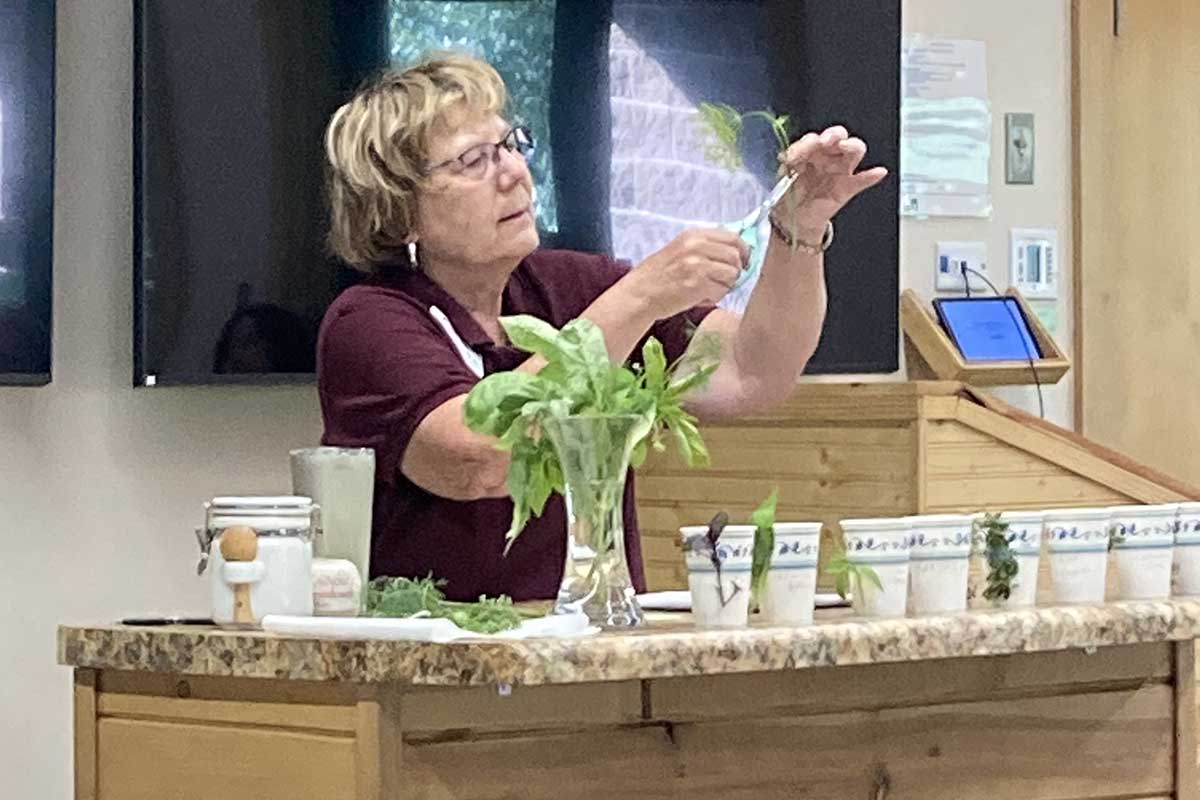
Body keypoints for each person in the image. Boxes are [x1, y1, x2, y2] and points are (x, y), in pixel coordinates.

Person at [317, 53, 887, 601]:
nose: (515, 172)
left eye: (511, 145)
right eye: (474, 160)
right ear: (398, 210)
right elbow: (480, 459)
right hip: (445, 666)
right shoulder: (368, 321)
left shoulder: (570, 285)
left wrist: (800, 227)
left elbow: (752, 371)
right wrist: (641, 296)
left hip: (598, 640)